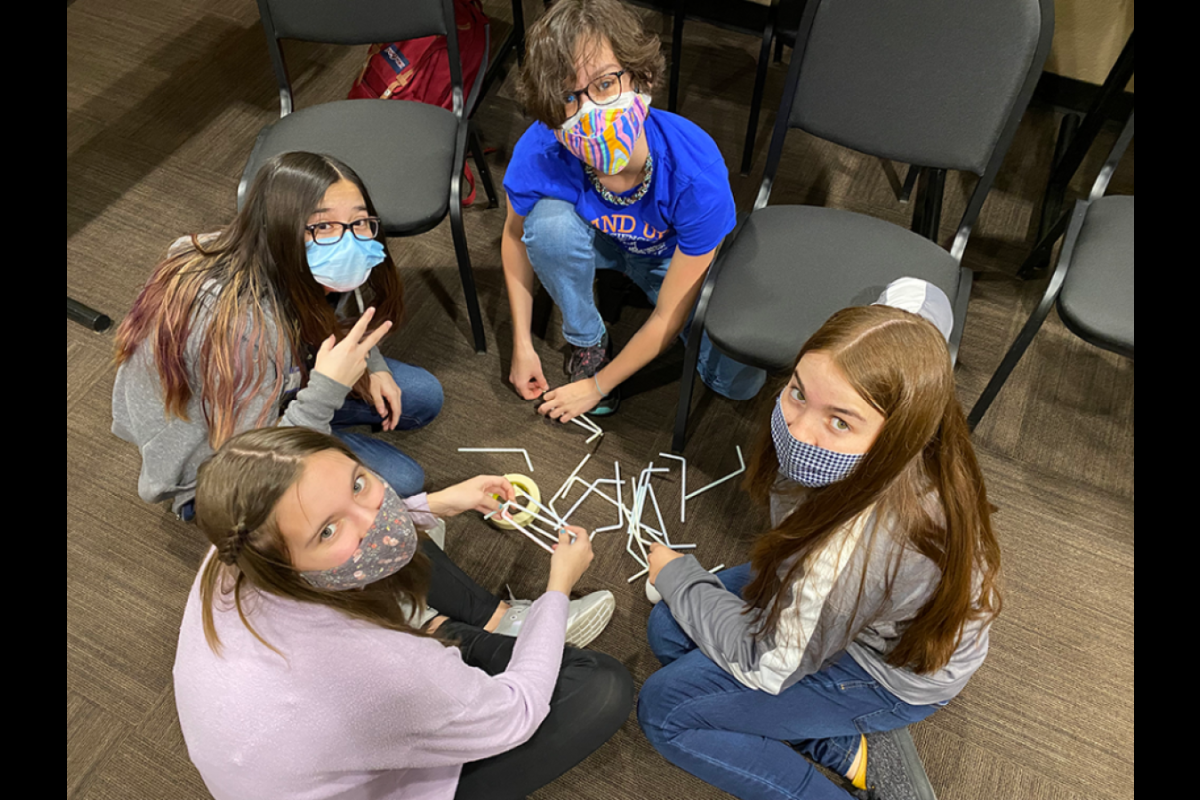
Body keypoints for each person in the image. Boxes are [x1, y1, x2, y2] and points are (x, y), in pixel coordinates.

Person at [637, 284, 1001, 800]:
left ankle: (834, 766)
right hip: (853, 602)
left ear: (898, 432)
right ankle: (848, 748)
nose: (799, 430)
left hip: (883, 669)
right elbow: (925, 297)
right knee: (669, 627)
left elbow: (766, 663)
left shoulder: (852, 553)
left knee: (666, 711)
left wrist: (676, 573)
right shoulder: (915, 399)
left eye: (839, 421)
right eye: (799, 391)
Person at [174, 424, 631, 800]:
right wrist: (558, 586)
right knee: (603, 687)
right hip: (366, 758)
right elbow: (517, 715)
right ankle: (453, 633)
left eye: (358, 482)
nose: (373, 519)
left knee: (400, 544)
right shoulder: (381, 668)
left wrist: (439, 503)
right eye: (329, 531)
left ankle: (446, 626)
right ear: (282, 561)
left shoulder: (233, 549)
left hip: (278, 758)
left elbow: (363, 528)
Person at [113, 151, 443, 521]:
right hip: (226, 461)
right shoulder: (243, 333)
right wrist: (326, 392)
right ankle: (202, 506)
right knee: (404, 481)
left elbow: (324, 315)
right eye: (323, 226)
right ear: (282, 228)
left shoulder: (284, 255)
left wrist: (372, 363)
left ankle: (310, 420)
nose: (349, 240)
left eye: (360, 221)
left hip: (275, 384)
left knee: (425, 396)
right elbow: (253, 461)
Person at [501, 0, 766, 419]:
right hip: (596, 241)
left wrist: (596, 387)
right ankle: (588, 339)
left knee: (738, 381)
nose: (589, 112)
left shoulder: (695, 170)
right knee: (548, 227)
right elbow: (515, 236)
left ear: (641, 78)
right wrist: (521, 343)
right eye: (568, 98)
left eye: (605, 83)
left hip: (666, 258)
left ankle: (626, 287)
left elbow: (668, 316)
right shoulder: (541, 148)